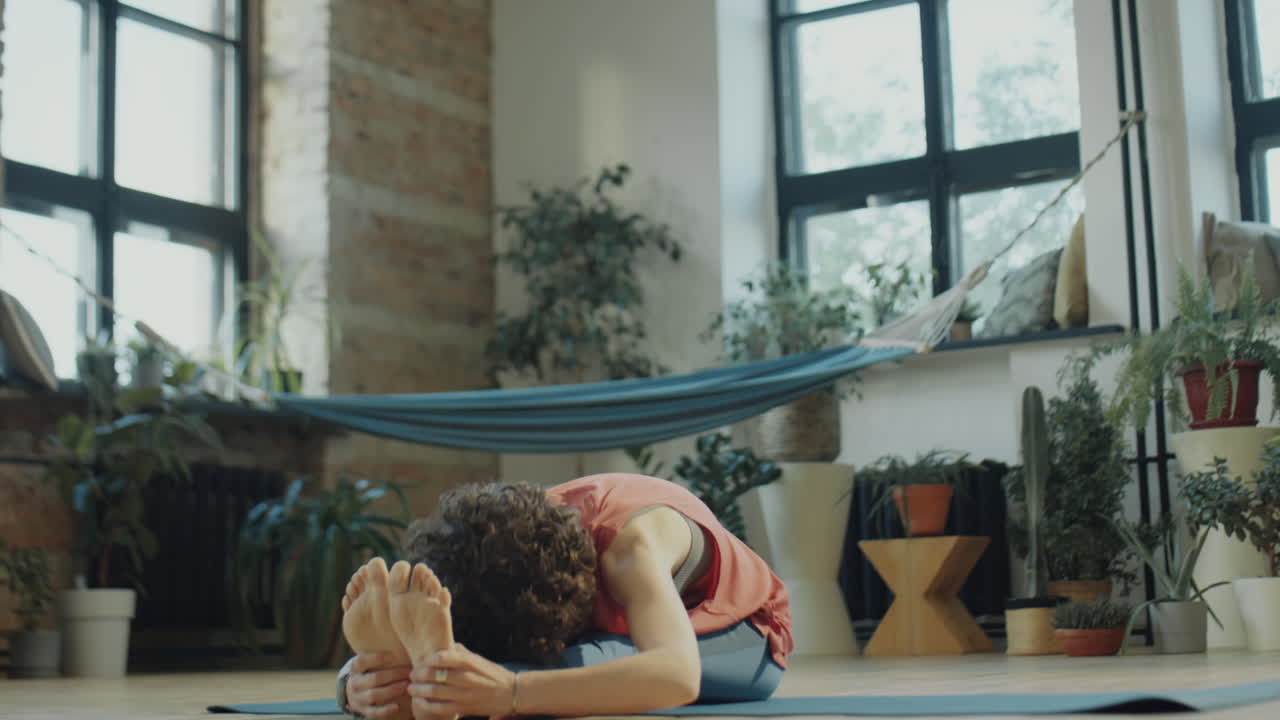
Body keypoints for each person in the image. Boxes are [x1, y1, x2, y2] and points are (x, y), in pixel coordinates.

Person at [337, 473, 792, 719]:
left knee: (590, 664)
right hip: (585, 624)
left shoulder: (630, 551)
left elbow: (678, 675)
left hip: (745, 636)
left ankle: (434, 681)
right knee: (514, 654)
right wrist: (357, 686)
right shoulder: (503, 538)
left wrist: (512, 693)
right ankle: (420, 675)